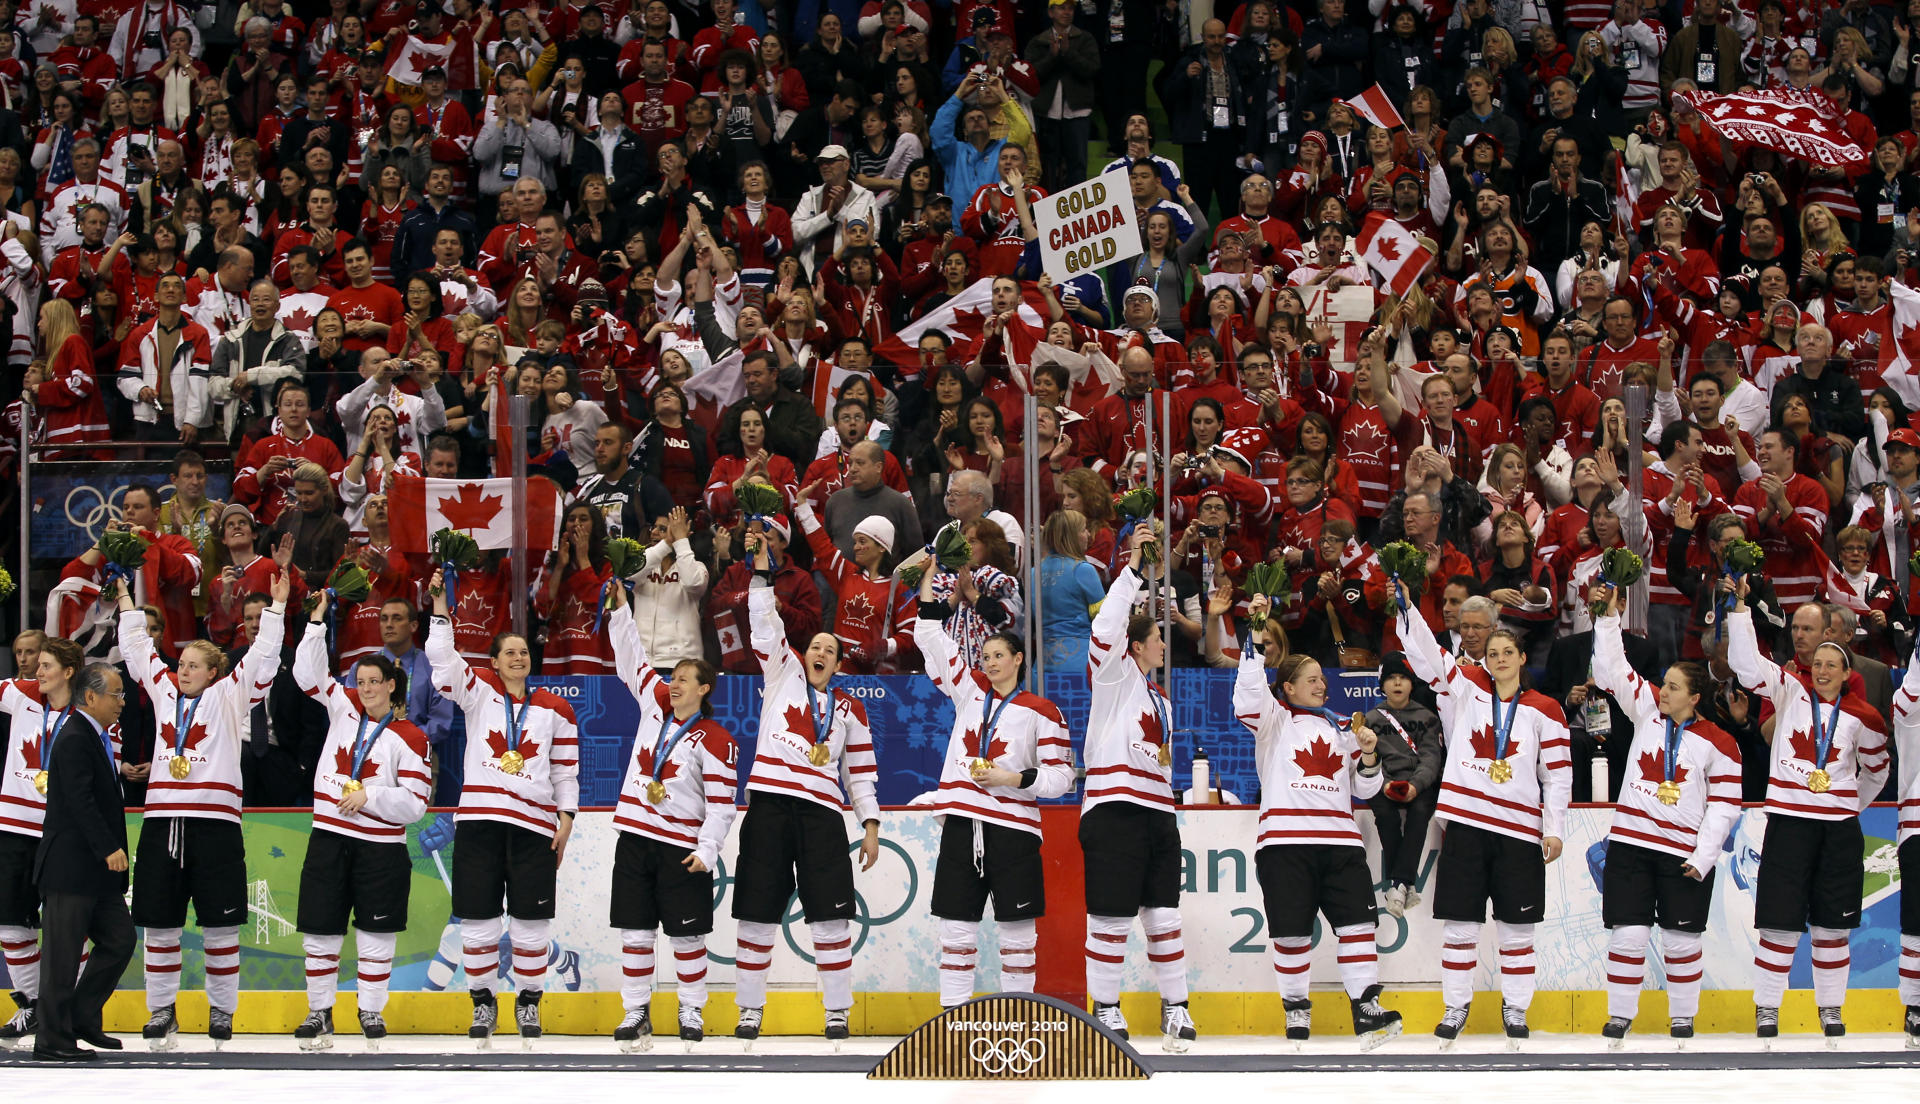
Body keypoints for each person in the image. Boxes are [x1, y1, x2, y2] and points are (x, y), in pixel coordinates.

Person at [119, 565, 289, 1050]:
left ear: (213, 671)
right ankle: (161, 1011)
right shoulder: (163, 691)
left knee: (219, 925)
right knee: (160, 923)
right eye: (181, 664)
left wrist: (275, 609)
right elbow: (138, 651)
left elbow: (261, 657)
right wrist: (129, 605)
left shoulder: (230, 695)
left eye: (193, 664)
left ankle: (221, 1010)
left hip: (214, 826)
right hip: (162, 824)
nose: (182, 671)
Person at [1396, 576, 1571, 1043]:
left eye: (1505, 653)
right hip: (1469, 827)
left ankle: (1516, 1010)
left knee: (1517, 931)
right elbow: (1428, 659)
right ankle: (1455, 1010)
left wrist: (1553, 829)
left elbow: (1557, 776)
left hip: (1519, 833)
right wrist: (1409, 611)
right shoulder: (1467, 688)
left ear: (1520, 658)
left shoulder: (1546, 710)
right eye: (1491, 654)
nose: (1497, 660)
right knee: (1461, 928)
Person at [730, 529, 880, 1043]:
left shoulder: (849, 709)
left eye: (828, 650)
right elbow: (764, 623)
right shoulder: (782, 674)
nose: (819, 652)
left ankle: (836, 1010)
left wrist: (871, 825)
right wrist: (760, 573)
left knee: (830, 918)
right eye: (815, 645)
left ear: (838, 664)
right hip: (769, 808)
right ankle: (750, 1010)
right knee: (755, 913)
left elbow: (860, 773)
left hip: (820, 816)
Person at [1232, 593, 1400, 1044]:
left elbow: (1364, 789)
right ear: (1286, 687)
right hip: (1285, 843)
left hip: (1342, 844)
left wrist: (1367, 756)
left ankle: (1365, 1007)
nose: (1320, 685)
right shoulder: (1272, 721)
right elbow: (1248, 696)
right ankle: (1296, 1010)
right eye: (1310, 680)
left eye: (1321, 678)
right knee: (1290, 934)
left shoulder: (1341, 728)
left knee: (1359, 926)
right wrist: (1254, 637)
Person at [1726, 576, 1889, 1039]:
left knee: (1831, 928)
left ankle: (1831, 1010)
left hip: (1837, 832)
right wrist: (1740, 612)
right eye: (1815, 664)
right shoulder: (1789, 691)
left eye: (1829, 666)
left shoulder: (1866, 718)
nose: (1820, 671)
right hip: (1790, 824)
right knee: (1779, 925)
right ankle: (1767, 1009)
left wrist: (1847, 806)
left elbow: (1877, 769)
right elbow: (1743, 662)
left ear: (1844, 671)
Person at [426, 567, 581, 1047]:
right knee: (477, 920)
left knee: (531, 923)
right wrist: (439, 609)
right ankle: (483, 1003)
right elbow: (443, 661)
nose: (518, 656)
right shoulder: (479, 694)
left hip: (535, 826)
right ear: (493, 662)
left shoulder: (557, 708)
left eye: (523, 651)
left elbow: (565, 774)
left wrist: (567, 818)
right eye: (509, 652)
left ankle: (530, 1003)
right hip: (479, 822)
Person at [912, 567, 1073, 1009]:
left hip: (1015, 831)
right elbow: (930, 636)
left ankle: (1017, 1018)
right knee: (956, 929)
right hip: (963, 824)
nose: (989, 661)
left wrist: (1012, 779)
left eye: (999, 654)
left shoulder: (1044, 712)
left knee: (1018, 933)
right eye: (985, 655)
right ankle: (951, 1018)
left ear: (1018, 659)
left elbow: (1062, 779)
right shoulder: (969, 693)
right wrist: (929, 576)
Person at [1589, 588, 1743, 1044]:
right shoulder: (1646, 714)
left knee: (1681, 942)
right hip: (1631, 846)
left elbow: (1725, 806)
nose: (1664, 691)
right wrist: (1609, 617)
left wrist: (1705, 856)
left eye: (1673, 687)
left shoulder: (1722, 744)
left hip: (1683, 855)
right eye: (1664, 684)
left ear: (1694, 698)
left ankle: (1682, 1017)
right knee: (1628, 936)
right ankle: (1620, 1016)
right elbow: (1615, 669)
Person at [289, 591, 433, 1050]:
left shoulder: (411, 737)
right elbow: (305, 672)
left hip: (380, 849)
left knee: (375, 932)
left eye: (375, 681)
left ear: (392, 685)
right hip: (329, 838)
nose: (366, 688)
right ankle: (319, 1012)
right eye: (361, 680)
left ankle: (370, 1009)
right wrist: (316, 621)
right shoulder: (343, 706)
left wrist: (369, 795)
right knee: (321, 930)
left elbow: (415, 805)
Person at [604, 583, 738, 1048]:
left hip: (682, 850)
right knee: (636, 934)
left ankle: (691, 1010)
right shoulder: (652, 707)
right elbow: (632, 658)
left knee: (687, 937)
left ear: (703, 689)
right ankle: (636, 1011)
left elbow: (723, 806)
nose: (673, 682)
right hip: (635, 840)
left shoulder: (717, 739)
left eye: (684, 678)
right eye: (673, 676)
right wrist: (622, 608)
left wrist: (707, 850)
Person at [1081, 526, 1196, 1049]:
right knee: (1109, 916)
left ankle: (1176, 1008)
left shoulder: (1161, 701)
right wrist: (1132, 569)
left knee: (1164, 916)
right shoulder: (1113, 678)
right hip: (1114, 810)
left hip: (1156, 813)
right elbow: (1106, 628)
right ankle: (1105, 1008)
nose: (1163, 645)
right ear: (1135, 646)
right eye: (1157, 638)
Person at [29, 661, 132, 1063]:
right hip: (71, 868)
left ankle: (80, 1017)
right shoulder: (73, 737)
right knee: (62, 957)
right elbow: (78, 800)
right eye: (116, 694)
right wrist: (108, 847)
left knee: (120, 940)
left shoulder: (97, 738)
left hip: (97, 874)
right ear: (91, 696)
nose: (122, 703)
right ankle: (52, 1040)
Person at [0, 637, 85, 1046]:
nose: (37, 670)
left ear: (68, 672)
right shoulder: (19, 694)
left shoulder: (89, 712)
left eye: (47, 664)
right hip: (14, 827)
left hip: (61, 833)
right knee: (10, 922)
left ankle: (67, 1005)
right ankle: (33, 1003)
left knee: (69, 926)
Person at [1365, 654, 1443, 919]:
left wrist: (1415, 785)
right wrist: (1385, 784)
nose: (1397, 684)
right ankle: (1403, 884)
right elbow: (1368, 758)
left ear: (1412, 684)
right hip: (1382, 782)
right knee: (1385, 816)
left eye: (1403, 678)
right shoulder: (1371, 719)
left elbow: (1431, 757)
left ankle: (1397, 885)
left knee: (1420, 813)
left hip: (1417, 783)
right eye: (1391, 679)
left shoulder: (1427, 717)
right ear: (1382, 685)